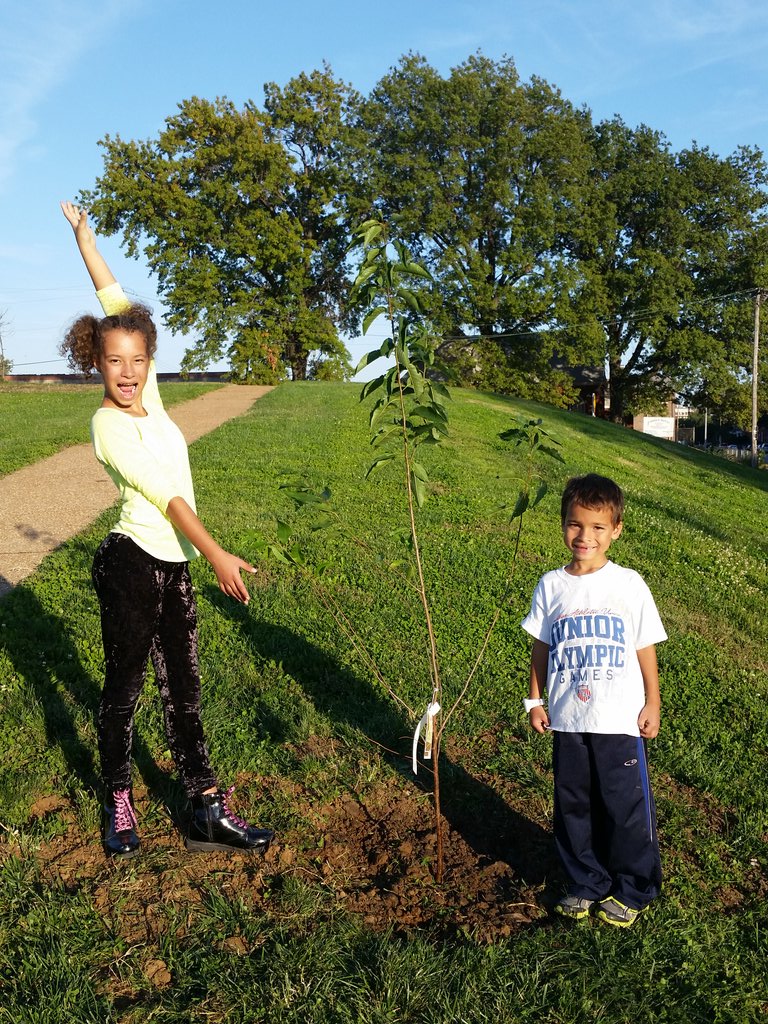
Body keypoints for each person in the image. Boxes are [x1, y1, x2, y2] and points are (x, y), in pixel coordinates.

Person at [59, 200, 274, 860]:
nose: (127, 373)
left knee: (186, 693)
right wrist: (216, 553)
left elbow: (114, 297)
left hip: (173, 565)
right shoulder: (108, 425)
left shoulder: (148, 396)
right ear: (96, 361)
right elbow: (166, 495)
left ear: (150, 360)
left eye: (138, 360)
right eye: (114, 361)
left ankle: (206, 809)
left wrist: (86, 238)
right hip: (131, 564)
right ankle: (119, 799)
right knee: (124, 693)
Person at [521, 473, 666, 928]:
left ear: (616, 529)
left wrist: (652, 702)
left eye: (598, 527)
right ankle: (586, 880)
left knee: (625, 808)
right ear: (563, 525)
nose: (585, 536)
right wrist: (534, 700)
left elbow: (645, 645)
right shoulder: (551, 585)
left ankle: (633, 887)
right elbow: (541, 648)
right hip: (567, 719)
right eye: (575, 525)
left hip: (618, 720)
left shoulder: (628, 584)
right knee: (573, 805)